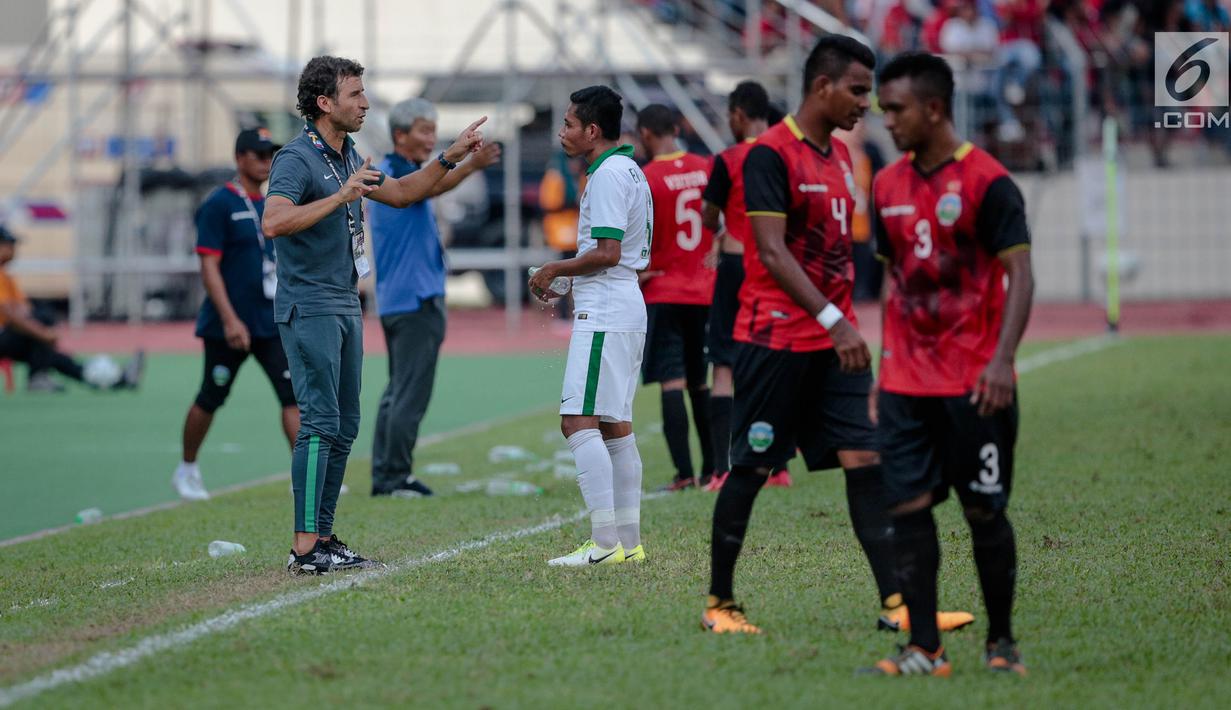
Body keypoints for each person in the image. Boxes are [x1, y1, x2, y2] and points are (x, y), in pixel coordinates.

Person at [701, 36, 973, 636]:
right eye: (856, 91)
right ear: (821, 87)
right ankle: (720, 603)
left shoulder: (841, 158)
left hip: (833, 348)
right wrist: (835, 319)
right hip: (775, 341)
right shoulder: (771, 155)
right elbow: (770, 251)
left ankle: (897, 602)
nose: (867, 104)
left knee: (867, 458)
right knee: (748, 467)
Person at [262, 55, 485, 575]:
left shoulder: (350, 155)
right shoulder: (296, 158)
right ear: (325, 103)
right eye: (355, 94)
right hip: (310, 304)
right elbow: (273, 221)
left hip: (345, 302)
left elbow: (404, 192)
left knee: (345, 424)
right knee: (318, 423)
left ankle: (323, 536)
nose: (365, 103)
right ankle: (304, 549)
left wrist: (451, 157)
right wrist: (339, 197)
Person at [862, 51, 1033, 677]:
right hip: (906, 381)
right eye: (882, 110)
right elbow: (892, 283)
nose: (887, 122)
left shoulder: (989, 182)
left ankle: (1001, 644)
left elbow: (1021, 275)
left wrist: (1001, 362)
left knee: (983, 511)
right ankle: (924, 648)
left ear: (935, 108)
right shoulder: (884, 186)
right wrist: (884, 371)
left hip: (974, 383)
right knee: (905, 509)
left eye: (897, 110)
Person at [528, 85, 651, 566]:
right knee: (616, 425)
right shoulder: (631, 170)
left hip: (605, 309)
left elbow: (607, 253)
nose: (562, 133)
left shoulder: (605, 175)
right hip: (624, 302)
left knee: (577, 421)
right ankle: (630, 542)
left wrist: (553, 269)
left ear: (592, 130)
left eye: (569, 124)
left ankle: (603, 544)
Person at [368, 98, 501, 498]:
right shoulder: (393, 176)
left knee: (398, 392)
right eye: (424, 130)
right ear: (400, 135)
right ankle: (393, 478)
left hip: (404, 298)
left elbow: (434, 183)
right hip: (413, 300)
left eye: (433, 130)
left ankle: (389, 475)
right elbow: (422, 188)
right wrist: (457, 158)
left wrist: (469, 165)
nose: (431, 138)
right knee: (408, 394)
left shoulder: (405, 173)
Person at [171, 128, 299, 502]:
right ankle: (187, 467)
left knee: (292, 397)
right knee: (211, 395)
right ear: (240, 158)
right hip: (228, 325)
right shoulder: (219, 204)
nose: (266, 161)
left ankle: (304, 477)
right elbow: (209, 266)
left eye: (270, 154)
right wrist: (229, 319)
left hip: (271, 320)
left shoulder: (277, 202)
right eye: (259, 155)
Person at [699, 80, 776, 492]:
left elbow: (710, 215)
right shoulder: (788, 154)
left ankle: (723, 470)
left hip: (736, 263)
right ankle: (777, 466)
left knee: (724, 365)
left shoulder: (728, 158)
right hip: (777, 268)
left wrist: (716, 223)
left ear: (737, 115)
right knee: (774, 359)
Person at [635, 103, 716, 493]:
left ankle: (683, 474)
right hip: (705, 290)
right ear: (679, 127)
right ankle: (714, 470)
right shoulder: (707, 166)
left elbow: (639, 236)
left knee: (672, 382)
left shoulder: (647, 177)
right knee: (702, 383)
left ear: (646, 135)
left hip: (663, 290)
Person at [0, 225, 143, 392]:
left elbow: (23, 309)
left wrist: (41, 333)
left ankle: (115, 378)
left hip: (7, 336)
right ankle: (39, 377)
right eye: (10, 244)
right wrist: (44, 334)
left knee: (51, 351)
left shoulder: (6, 277)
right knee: (42, 325)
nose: (14, 250)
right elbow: (9, 313)